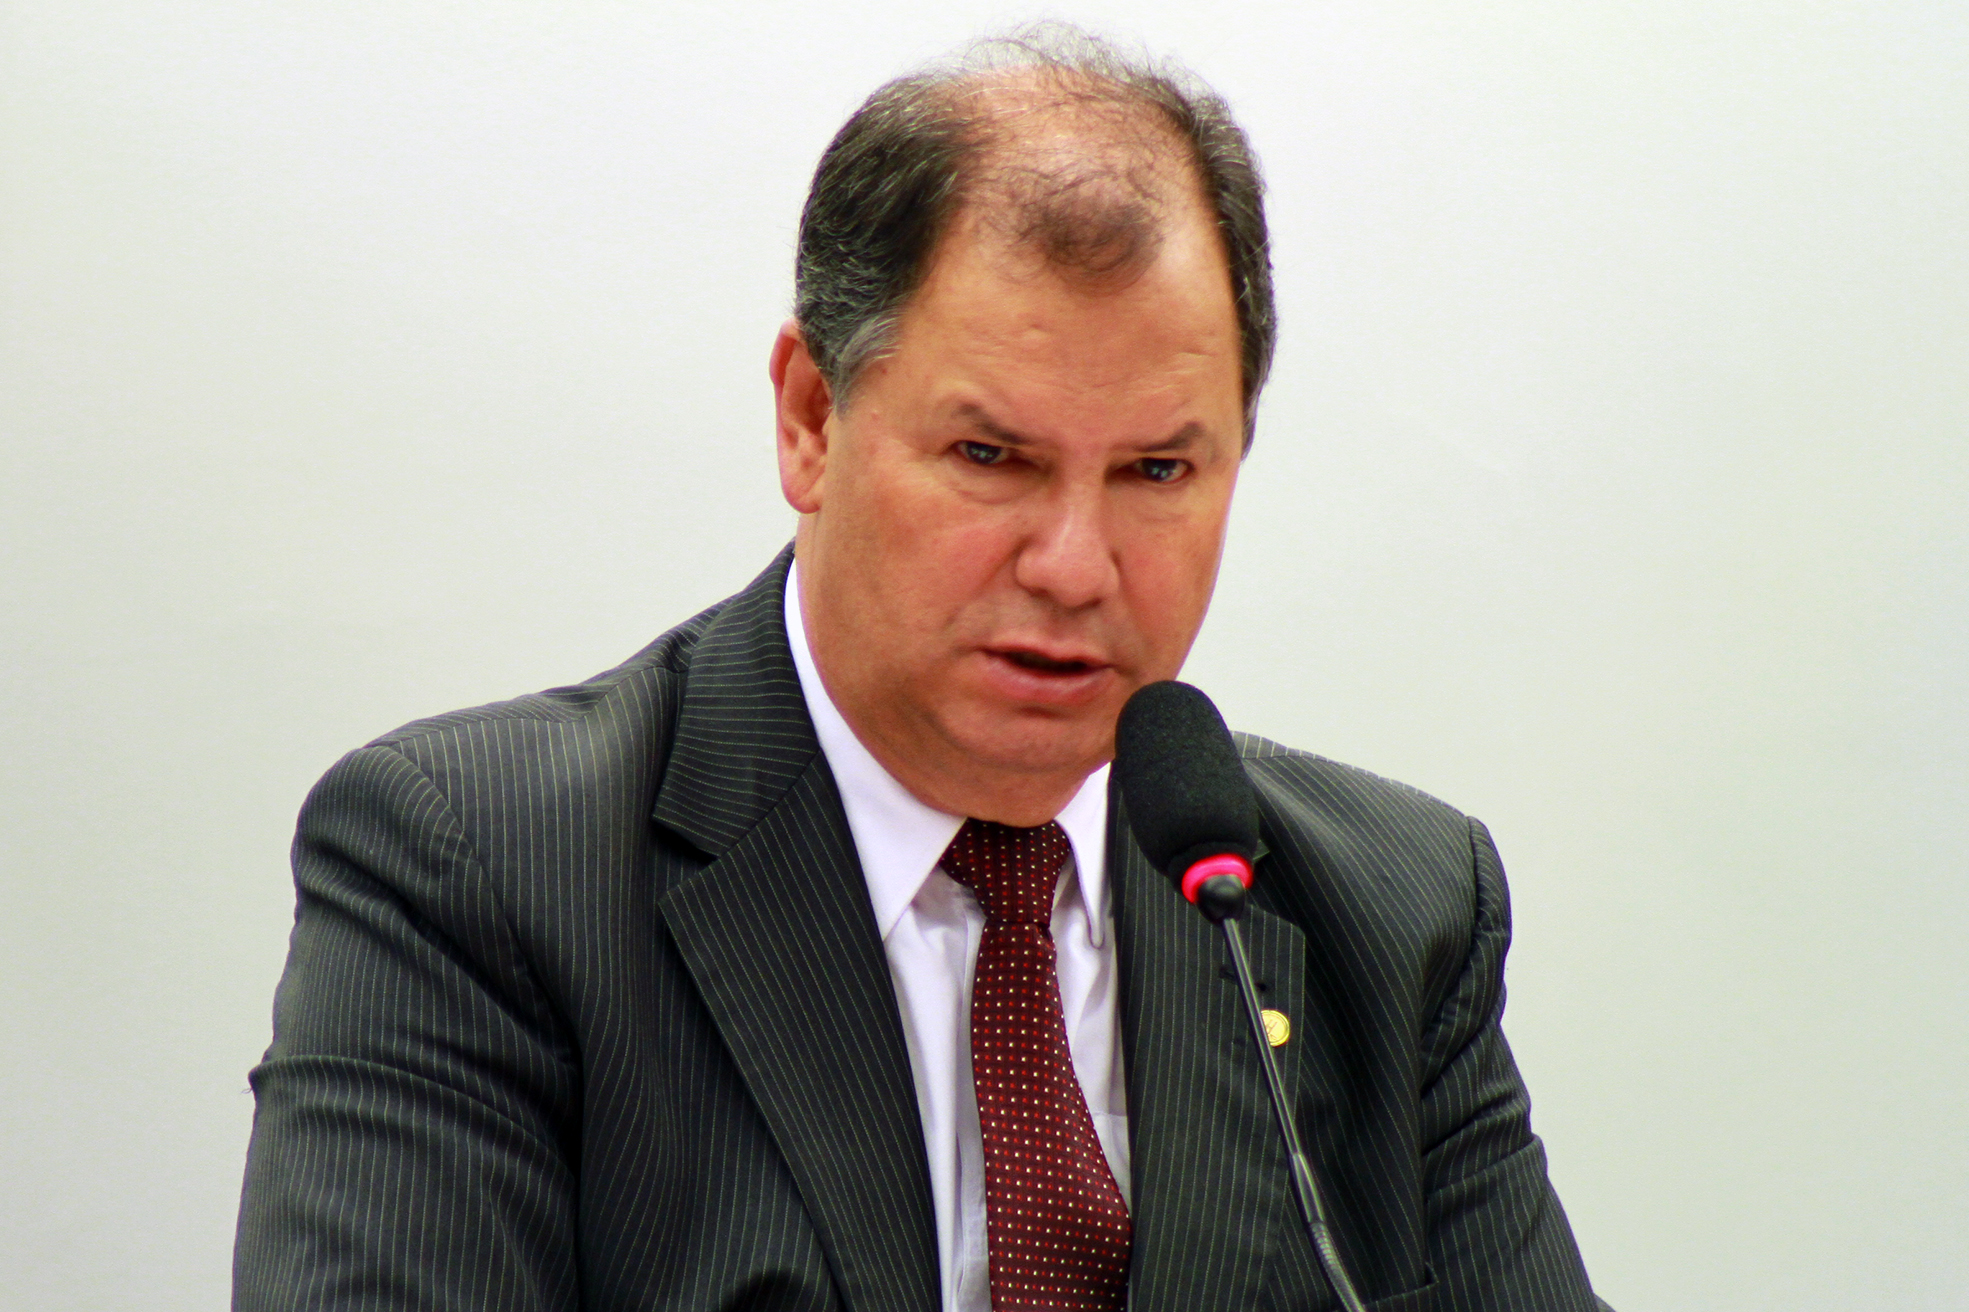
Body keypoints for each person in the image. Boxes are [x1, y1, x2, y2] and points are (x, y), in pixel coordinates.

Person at [235, 26, 1610, 1312]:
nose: (1073, 565)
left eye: (1156, 471)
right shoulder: (480, 873)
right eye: (991, 457)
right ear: (811, 418)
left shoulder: (1391, 913)